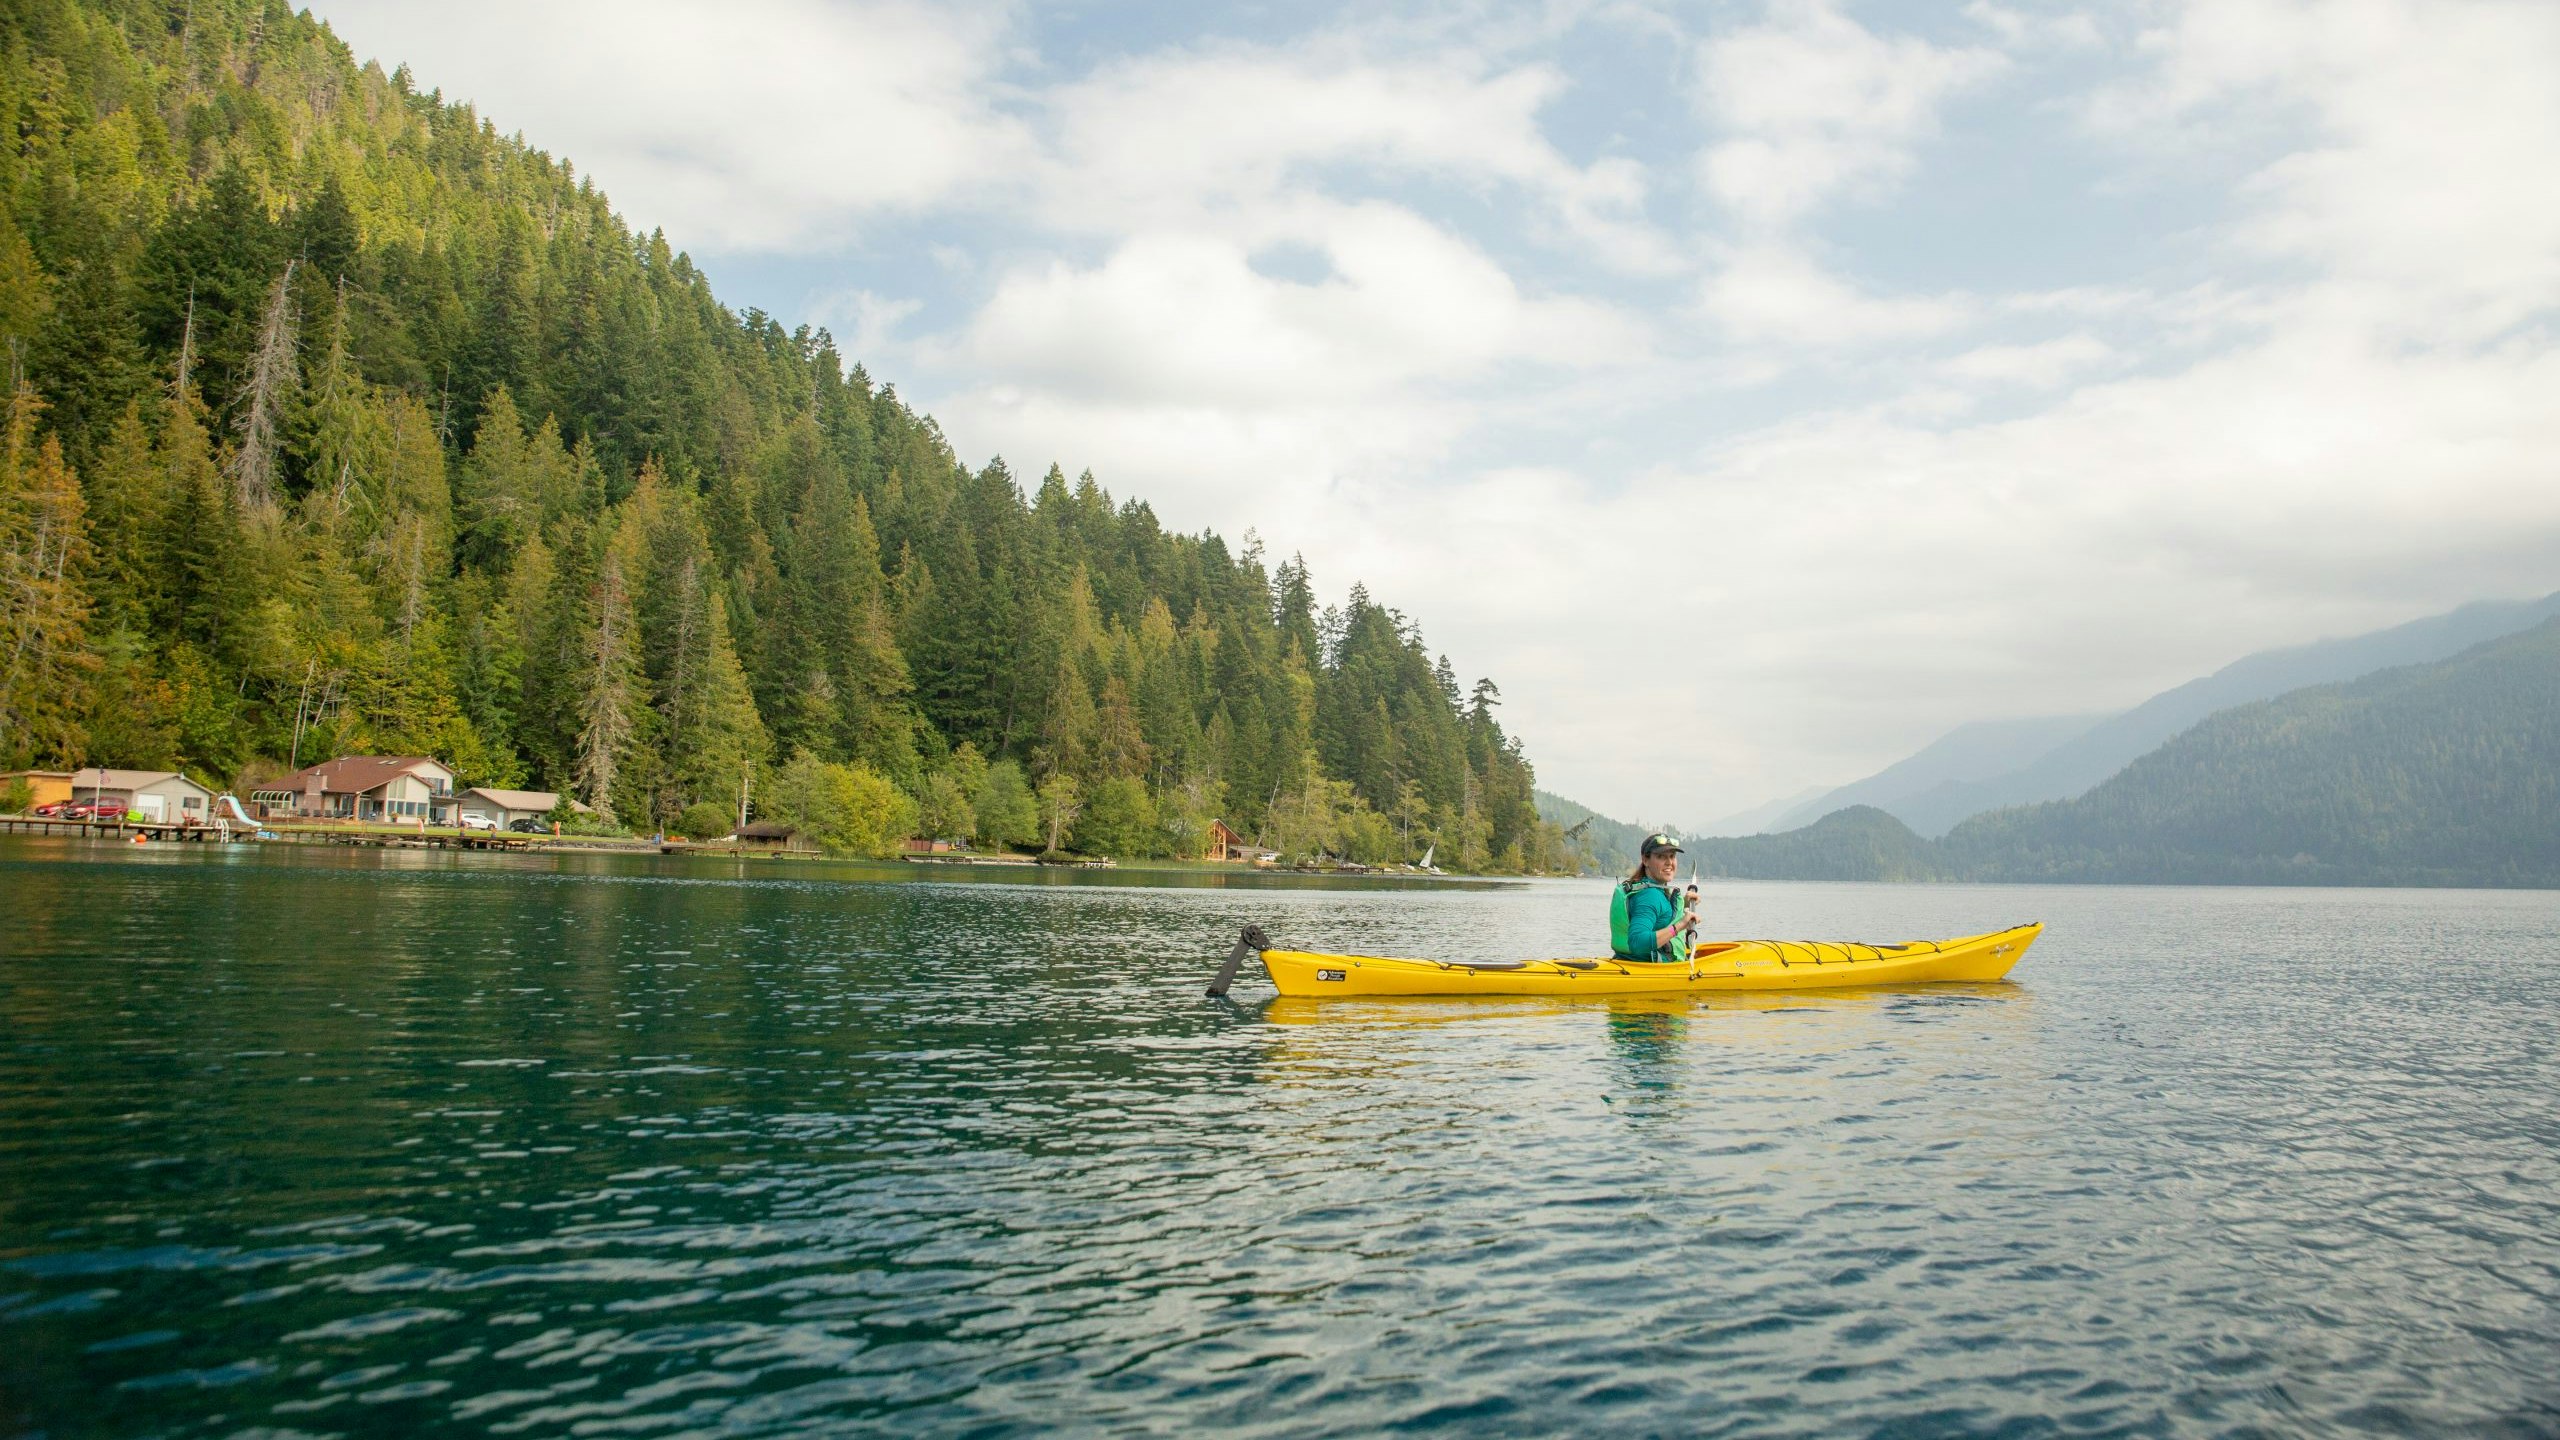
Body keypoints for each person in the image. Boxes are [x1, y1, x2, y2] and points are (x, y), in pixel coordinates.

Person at [1609, 833, 1698, 963]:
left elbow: (1659, 918)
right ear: (1645, 860)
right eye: (1661, 857)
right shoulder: (1650, 896)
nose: (1669, 863)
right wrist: (1681, 925)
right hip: (1652, 969)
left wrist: (1683, 905)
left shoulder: (1649, 889)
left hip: (1630, 961)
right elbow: (1637, 942)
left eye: (1672, 856)